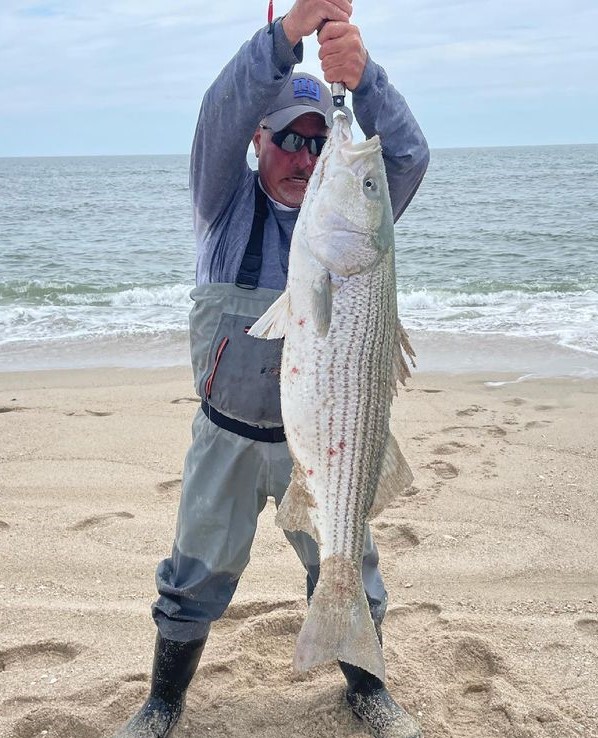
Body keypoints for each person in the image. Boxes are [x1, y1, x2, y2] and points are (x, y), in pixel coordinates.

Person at [114, 1, 429, 737]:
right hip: (225, 435)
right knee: (195, 573)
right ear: (258, 139)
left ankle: (366, 685)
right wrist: (286, 36)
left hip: (321, 442)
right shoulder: (220, 201)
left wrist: (365, 80)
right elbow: (219, 111)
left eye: (318, 143)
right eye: (289, 138)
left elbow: (406, 158)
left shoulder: (352, 222)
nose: (306, 157)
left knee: (349, 566)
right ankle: (163, 701)